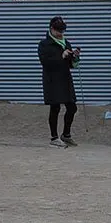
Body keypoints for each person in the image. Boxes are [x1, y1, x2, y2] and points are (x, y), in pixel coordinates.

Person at [37, 16, 81, 148]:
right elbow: (45, 62)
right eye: (58, 31)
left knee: (72, 107)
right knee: (55, 107)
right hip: (52, 80)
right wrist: (60, 56)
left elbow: (72, 65)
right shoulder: (44, 44)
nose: (60, 33)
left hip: (65, 78)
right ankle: (54, 137)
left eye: (62, 31)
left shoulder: (66, 43)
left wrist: (75, 57)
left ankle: (66, 135)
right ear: (51, 28)